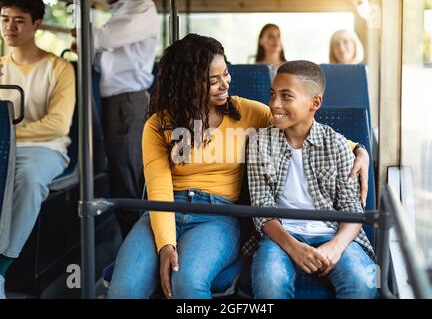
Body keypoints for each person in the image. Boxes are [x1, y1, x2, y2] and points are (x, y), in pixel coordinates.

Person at [108, 34, 371, 299]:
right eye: (214, 80)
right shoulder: (157, 125)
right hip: (165, 210)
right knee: (123, 291)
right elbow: (159, 189)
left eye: (226, 74)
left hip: (217, 214)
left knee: (187, 283)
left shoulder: (247, 113)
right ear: (189, 83)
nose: (225, 84)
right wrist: (166, 245)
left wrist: (358, 150)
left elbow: (299, 124)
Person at [247, 60, 377, 299]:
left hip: (332, 233)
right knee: (270, 285)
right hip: (280, 236)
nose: (274, 104)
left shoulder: (336, 144)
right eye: (273, 94)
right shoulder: (259, 142)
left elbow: (352, 210)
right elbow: (262, 209)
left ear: (314, 103)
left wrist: (335, 247)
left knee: (362, 284)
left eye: (286, 96)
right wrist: (294, 248)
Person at [0, 0, 75, 299]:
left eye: (19, 20)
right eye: (5, 19)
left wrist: (8, 133)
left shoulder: (60, 69)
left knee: (29, 180)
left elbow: (56, 125)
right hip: (3, 146)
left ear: (37, 24)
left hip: (45, 149)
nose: (10, 26)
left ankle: (1, 268)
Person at [93, 0, 159, 238]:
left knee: (127, 181)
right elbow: (104, 60)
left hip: (128, 102)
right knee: (121, 178)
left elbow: (105, 39)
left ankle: (135, 253)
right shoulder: (120, 10)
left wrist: (87, 35)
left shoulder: (141, 6)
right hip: (117, 102)